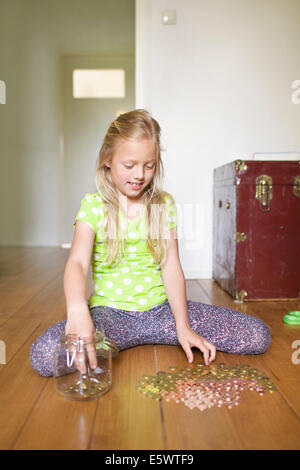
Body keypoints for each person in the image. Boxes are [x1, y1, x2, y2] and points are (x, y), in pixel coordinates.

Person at [30, 109, 271, 377]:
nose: (140, 175)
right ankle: (116, 340)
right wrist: (77, 311)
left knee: (257, 335)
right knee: (43, 355)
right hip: (110, 318)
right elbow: (77, 262)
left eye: (149, 165)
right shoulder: (93, 206)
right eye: (129, 165)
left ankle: (163, 333)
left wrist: (183, 326)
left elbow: (170, 266)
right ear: (107, 160)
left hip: (161, 313)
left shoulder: (161, 205)